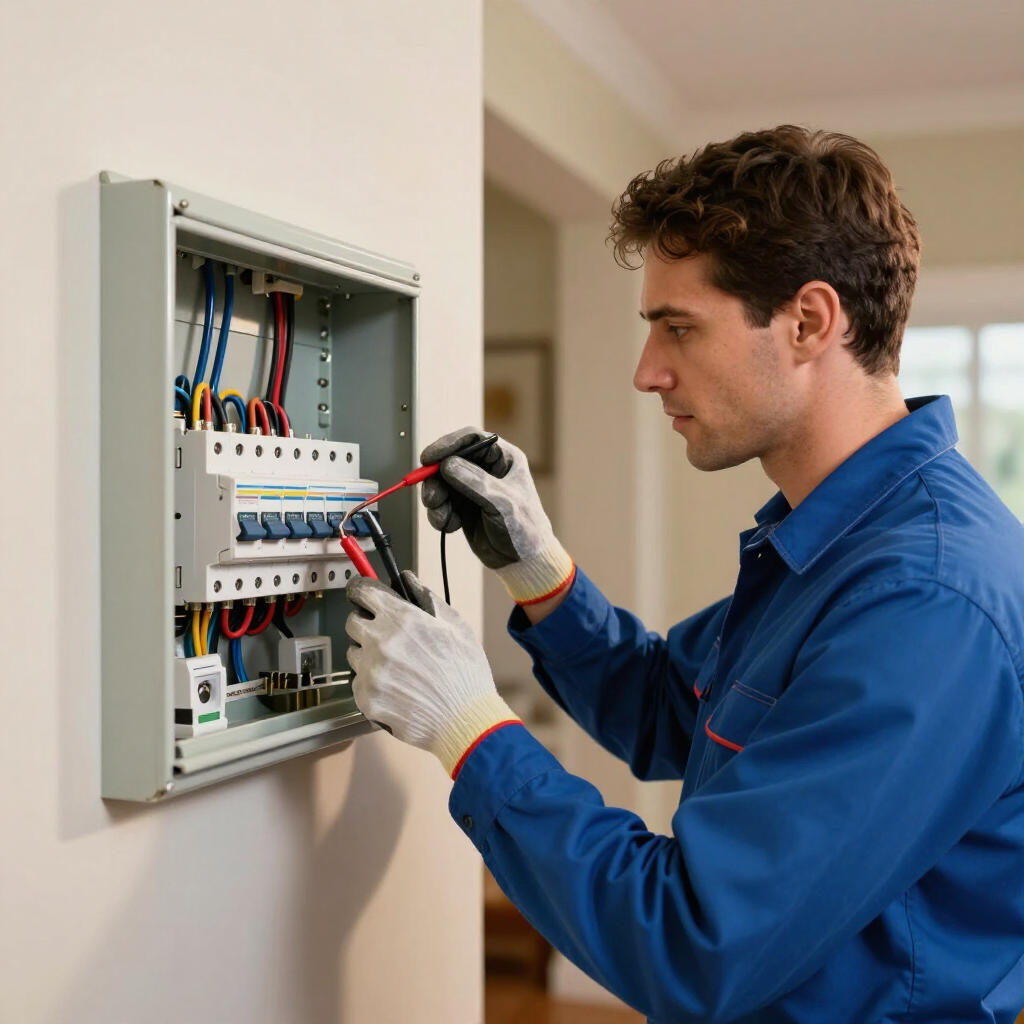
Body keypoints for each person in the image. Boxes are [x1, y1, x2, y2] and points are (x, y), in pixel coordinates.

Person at [343, 126, 1024, 1023]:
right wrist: (541, 572)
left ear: (810, 322)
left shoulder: (923, 599)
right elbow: (673, 708)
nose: (647, 372)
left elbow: (695, 942)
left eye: (679, 328)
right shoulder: (838, 543)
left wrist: (471, 730)